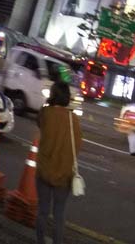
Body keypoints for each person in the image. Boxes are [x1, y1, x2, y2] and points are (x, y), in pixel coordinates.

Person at [36, 81, 82, 244]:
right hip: (64, 174)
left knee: (42, 210)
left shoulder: (46, 113)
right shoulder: (73, 119)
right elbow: (77, 145)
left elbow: (39, 123)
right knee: (59, 214)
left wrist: (48, 102)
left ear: (52, 95)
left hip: (44, 170)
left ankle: (40, 240)